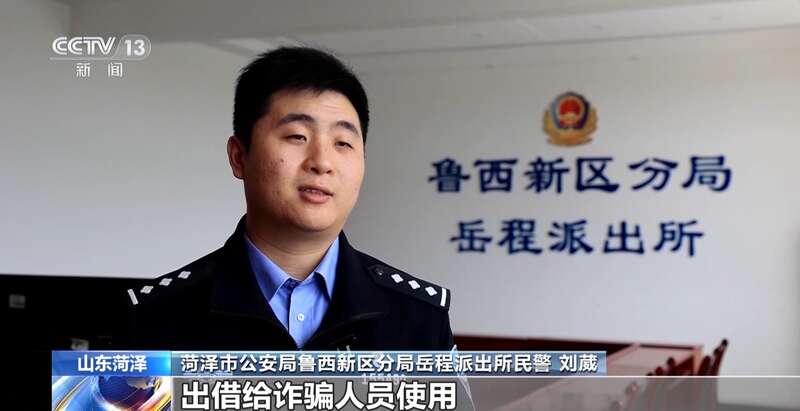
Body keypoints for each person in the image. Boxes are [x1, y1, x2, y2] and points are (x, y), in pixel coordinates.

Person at [123, 47, 454, 351]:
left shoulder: (420, 316)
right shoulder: (157, 314)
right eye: (297, 136)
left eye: (343, 143)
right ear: (239, 157)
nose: (322, 162)